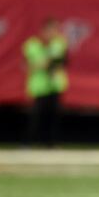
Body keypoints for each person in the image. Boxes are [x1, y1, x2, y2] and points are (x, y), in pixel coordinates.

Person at [23, 18, 68, 147]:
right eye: (50, 30)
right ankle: (28, 142)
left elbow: (59, 63)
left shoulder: (59, 44)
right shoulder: (32, 44)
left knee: (53, 116)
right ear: (43, 30)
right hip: (38, 86)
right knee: (35, 116)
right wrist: (44, 62)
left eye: (55, 30)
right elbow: (27, 65)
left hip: (55, 85)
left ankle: (51, 144)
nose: (53, 33)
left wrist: (42, 63)